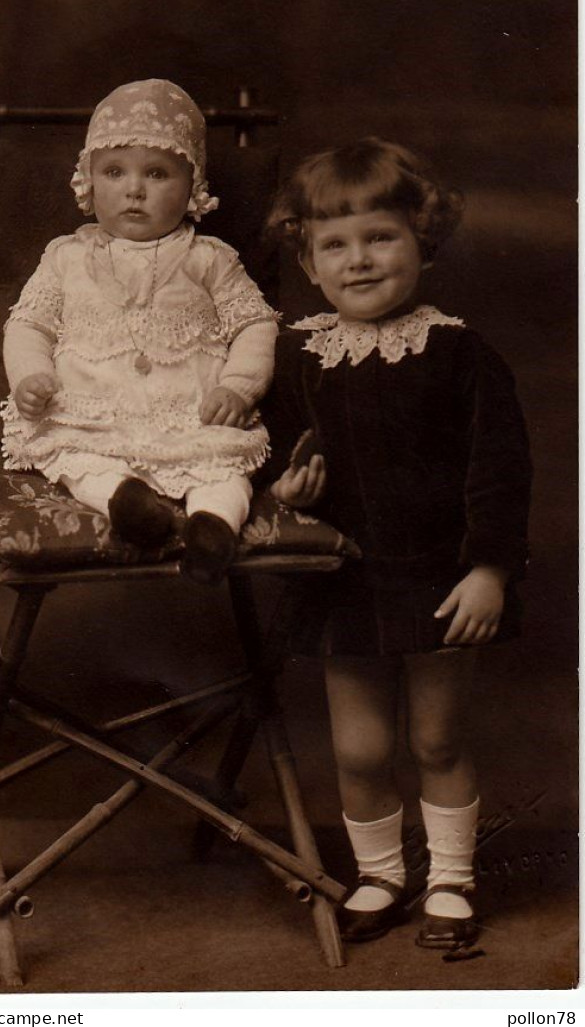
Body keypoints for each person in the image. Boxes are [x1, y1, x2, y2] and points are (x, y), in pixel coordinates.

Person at [261, 138, 532, 951]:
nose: (359, 260)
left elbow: (500, 467)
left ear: (421, 239)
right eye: (333, 245)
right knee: (359, 744)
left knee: (436, 738)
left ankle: (450, 876)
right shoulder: (298, 355)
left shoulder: (459, 353)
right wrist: (288, 487)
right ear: (308, 263)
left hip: (442, 576)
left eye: (380, 237)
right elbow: (274, 452)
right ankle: (381, 874)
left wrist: (489, 567)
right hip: (343, 577)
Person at [2, 79, 278, 585]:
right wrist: (30, 377)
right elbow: (28, 324)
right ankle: (123, 499)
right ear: (88, 181)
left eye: (156, 173)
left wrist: (238, 386)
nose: (134, 189)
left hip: (191, 412)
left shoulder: (209, 259)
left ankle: (214, 523)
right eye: (114, 172)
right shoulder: (65, 257)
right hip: (92, 413)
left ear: (192, 184)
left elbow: (255, 324)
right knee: (73, 457)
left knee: (224, 466)